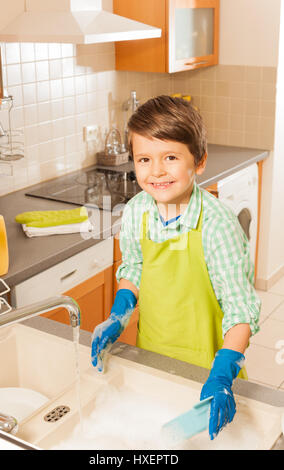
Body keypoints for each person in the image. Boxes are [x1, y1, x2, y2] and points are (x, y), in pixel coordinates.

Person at [91, 95, 261, 440]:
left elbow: (240, 308)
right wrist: (119, 314)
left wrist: (223, 372)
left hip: (210, 365)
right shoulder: (137, 210)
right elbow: (134, 267)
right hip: (153, 355)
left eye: (170, 157)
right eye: (144, 159)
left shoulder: (217, 224)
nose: (156, 171)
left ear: (198, 162)